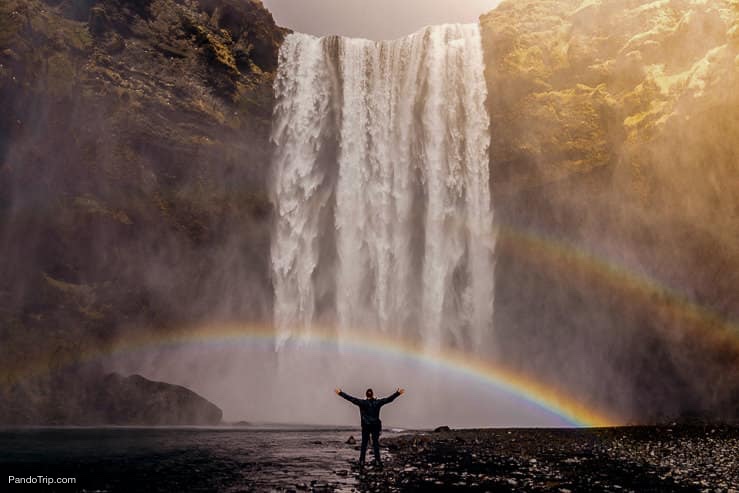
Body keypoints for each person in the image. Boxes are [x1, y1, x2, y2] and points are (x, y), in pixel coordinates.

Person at [334, 387, 405, 468]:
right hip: (375, 426)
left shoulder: (362, 402)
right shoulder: (377, 402)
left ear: (366, 395)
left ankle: (361, 461)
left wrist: (340, 393)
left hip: (365, 426)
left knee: (364, 444)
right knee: (375, 444)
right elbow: (388, 399)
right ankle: (378, 461)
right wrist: (397, 393)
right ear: (373, 395)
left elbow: (351, 398)